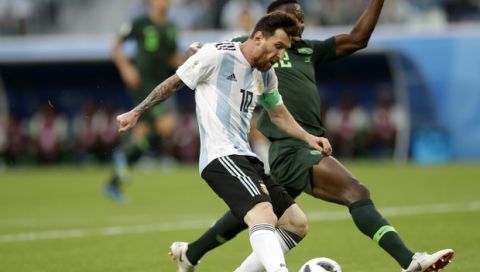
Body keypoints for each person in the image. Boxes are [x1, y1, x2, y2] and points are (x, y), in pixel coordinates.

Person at [170, 1, 454, 272]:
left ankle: (191, 252)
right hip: (291, 147)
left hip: (301, 145)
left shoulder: (308, 50)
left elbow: (358, 38)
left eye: (302, 20)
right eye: (292, 19)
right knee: (354, 191)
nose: (300, 25)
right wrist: (196, 50)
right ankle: (410, 260)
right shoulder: (256, 47)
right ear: (271, 22)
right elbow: (211, 53)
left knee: (254, 214)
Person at [116, 11, 333, 272]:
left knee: (295, 223)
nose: (281, 56)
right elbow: (173, 83)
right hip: (220, 156)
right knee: (263, 214)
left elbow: (277, 112)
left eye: (285, 50)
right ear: (259, 37)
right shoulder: (217, 55)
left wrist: (309, 137)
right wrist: (136, 111)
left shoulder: (266, 74)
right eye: (278, 47)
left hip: (246, 157)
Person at [104, 0, 184, 202]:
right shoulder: (139, 23)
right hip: (143, 85)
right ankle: (124, 157)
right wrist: (125, 67)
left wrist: (192, 66)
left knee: (141, 135)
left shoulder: (172, 28)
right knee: (167, 126)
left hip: (161, 86)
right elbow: (115, 46)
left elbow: (172, 57)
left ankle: (114, 182)